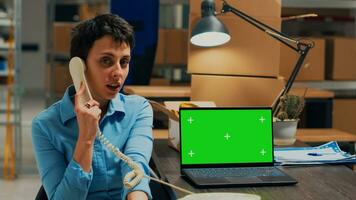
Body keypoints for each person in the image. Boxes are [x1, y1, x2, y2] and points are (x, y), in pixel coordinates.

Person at [32, 14, 153, 200]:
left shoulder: (138, 110)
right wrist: (86, 139)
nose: (118, 73)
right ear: (79, 66)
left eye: (124, 62)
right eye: (106, 61)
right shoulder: (46, 125)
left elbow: (135, 168)